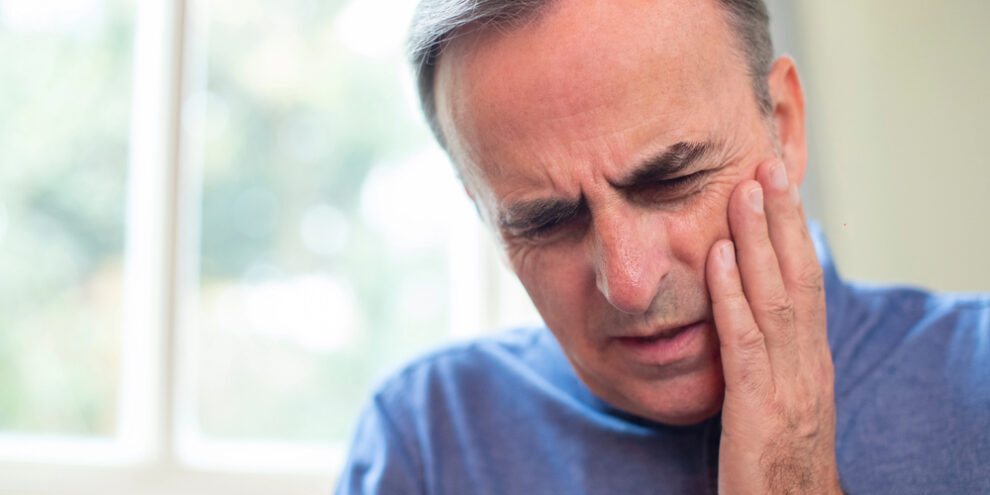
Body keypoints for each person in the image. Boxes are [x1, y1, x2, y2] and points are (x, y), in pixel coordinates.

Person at [336, 0, 990, 493]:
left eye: (671, 181)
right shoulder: (425, 441)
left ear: (784, 129)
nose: (628, 283)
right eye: (546, 221)